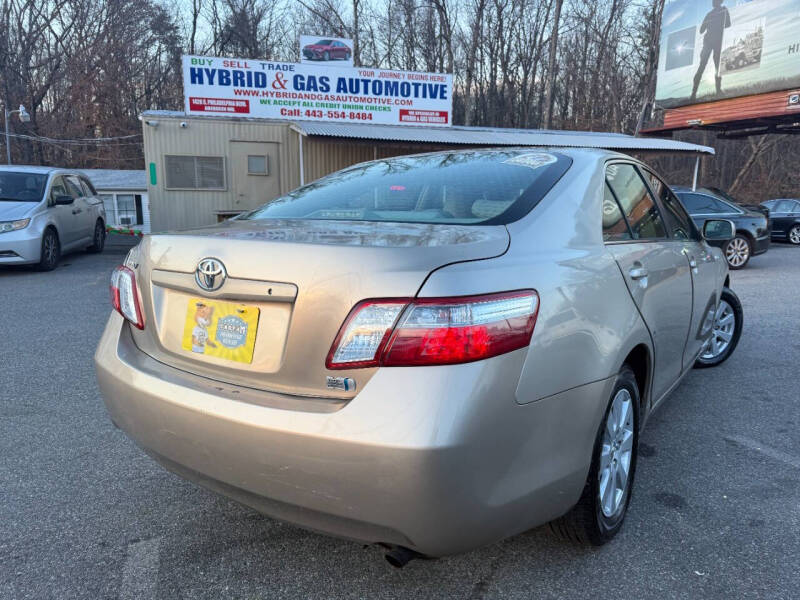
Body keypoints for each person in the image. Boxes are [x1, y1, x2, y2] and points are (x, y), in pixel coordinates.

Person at [691, 0, 731, 102]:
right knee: (714, 66)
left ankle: (694, 94)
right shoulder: (722, 11)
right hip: (714, 42)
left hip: (711, 42)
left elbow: (701, 30)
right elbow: (728, 24)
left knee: (706, 66)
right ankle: (715, 92)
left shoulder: (710, 14)